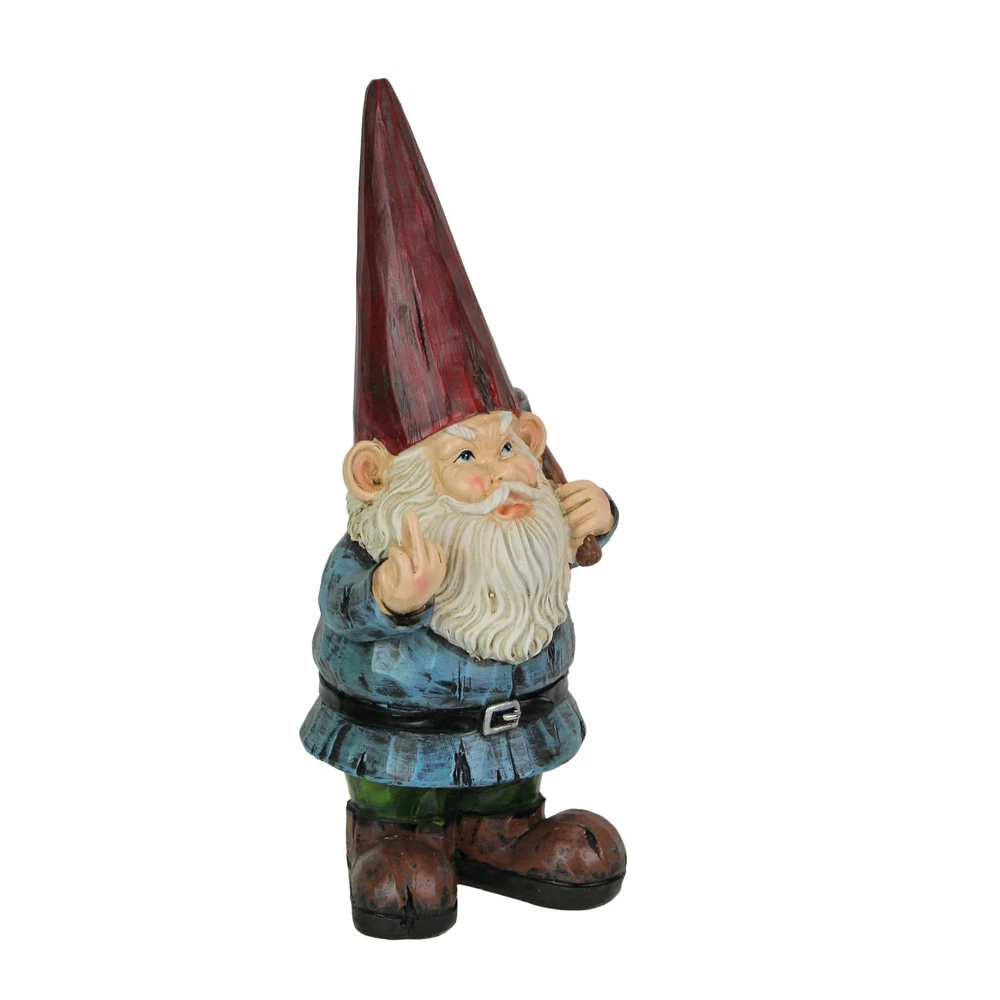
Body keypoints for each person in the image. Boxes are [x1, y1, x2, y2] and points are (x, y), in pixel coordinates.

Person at [300, 79, 626, 939]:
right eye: (468, 460)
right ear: (379, 476)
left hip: (522, 731)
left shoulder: (529, 508)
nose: (507, 477)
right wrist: (387, 598)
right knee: (399, 811)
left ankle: (505, 829)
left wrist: (597, 518)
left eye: (511, 448)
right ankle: (393, 838)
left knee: (510, 787)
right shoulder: (380, 547)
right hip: (399, 744)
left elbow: (556, 554)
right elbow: (340, 604)